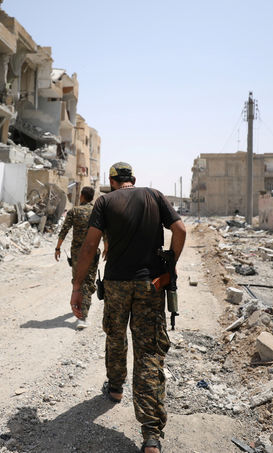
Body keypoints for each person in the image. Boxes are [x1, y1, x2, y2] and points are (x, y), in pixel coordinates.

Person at [71, 162, 186, 453]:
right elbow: (180, 230)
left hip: (116, 285)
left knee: (115, 335)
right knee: (148, 353)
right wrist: (169, 268)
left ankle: (116, 387)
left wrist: (77, 287)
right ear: (133, 179)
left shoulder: (105, 201)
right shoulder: (155, 196)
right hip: (150, 284)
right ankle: (150, 436)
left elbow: (89, 247)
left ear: (111, 181)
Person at [55, 186, 101, 330]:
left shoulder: (74, 211)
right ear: (92, 197)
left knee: (79, 281)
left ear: (81, 196)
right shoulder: (97, 211)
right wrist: (107, 246)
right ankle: (83, 310)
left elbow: (64, 230)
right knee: (88, 281)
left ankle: (82, 316)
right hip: (93, 251)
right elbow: (104, 230)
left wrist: (57, 248)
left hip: (77, 254)